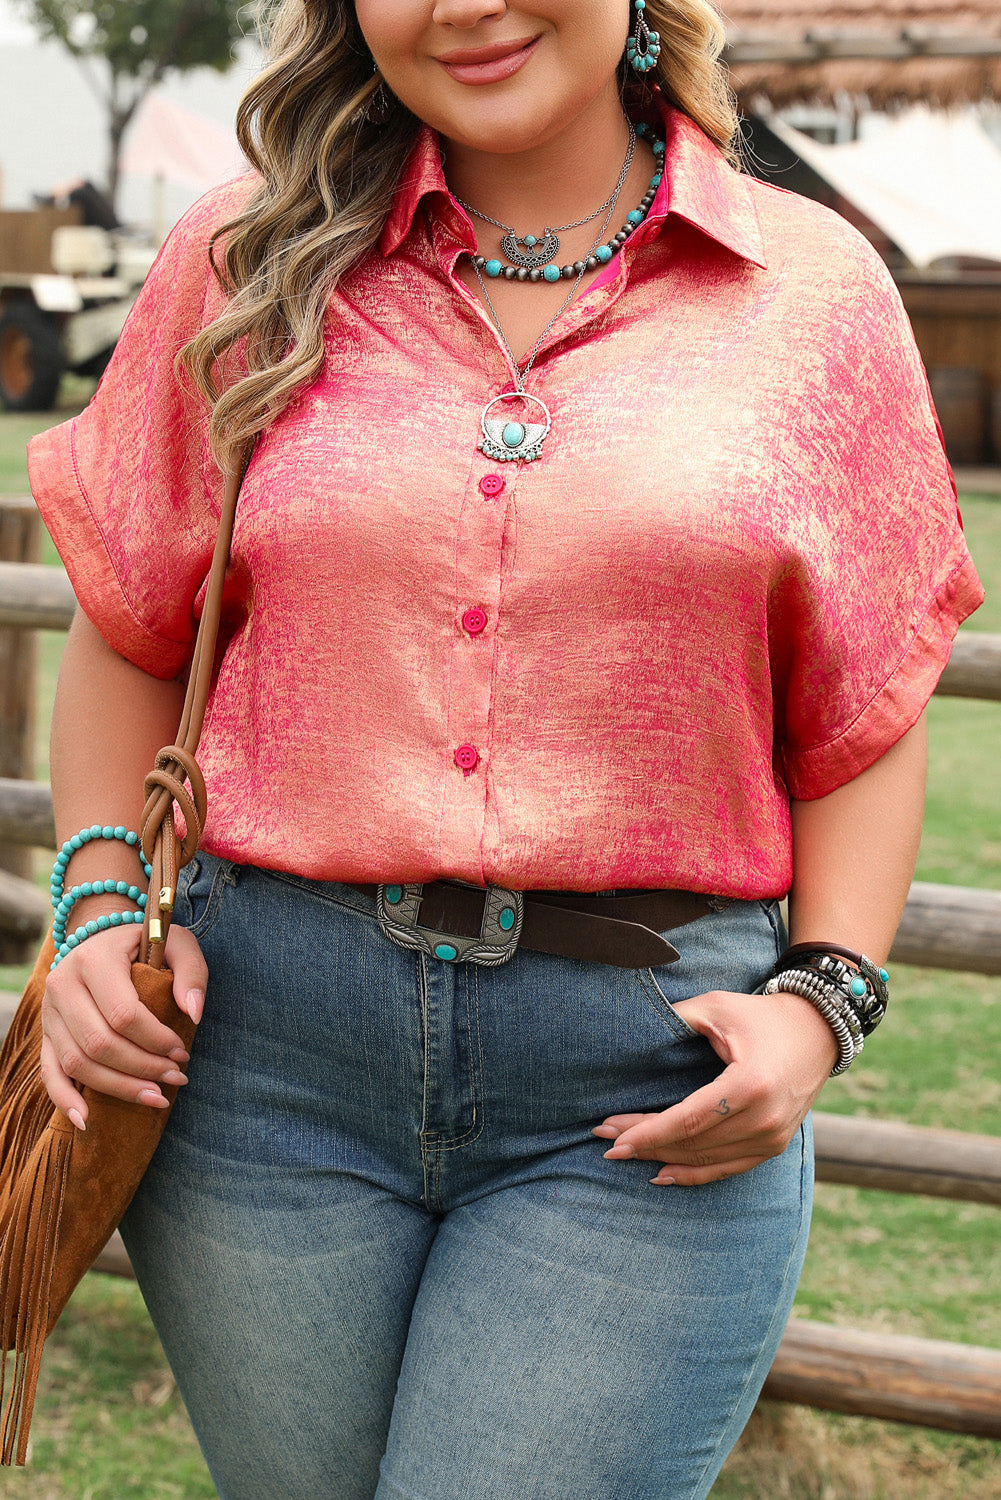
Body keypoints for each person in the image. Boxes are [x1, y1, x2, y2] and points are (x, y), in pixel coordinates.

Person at [28, 2, 983, 1497]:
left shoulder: (814, 292)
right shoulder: (244, 258)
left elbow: (862, 707)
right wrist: (94, 910)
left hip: (649, 1090)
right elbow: (134, 628)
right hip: (256, 1074)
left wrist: (823, 1003)